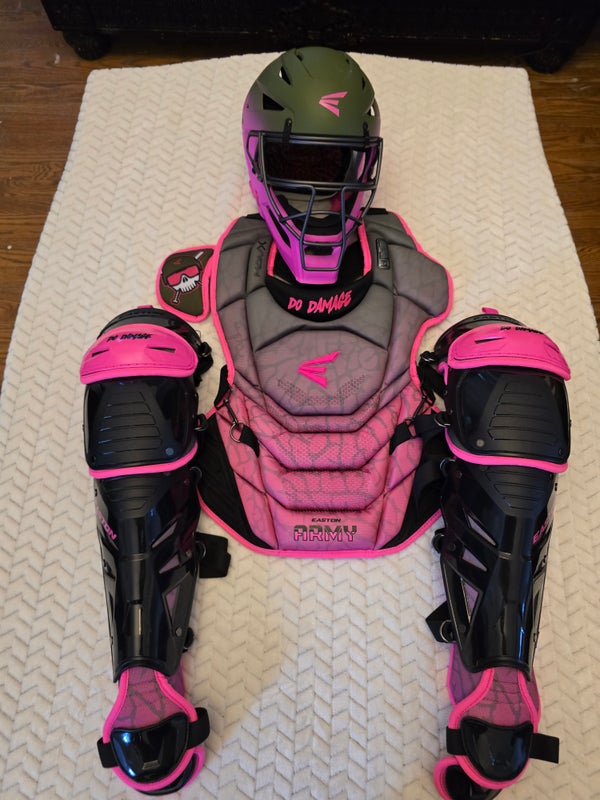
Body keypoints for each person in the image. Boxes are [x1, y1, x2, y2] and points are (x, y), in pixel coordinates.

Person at [82, 47, 569, 798]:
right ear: (258, 161)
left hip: (398, 486)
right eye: (296, 162)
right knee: (133, 357)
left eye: (332, 163)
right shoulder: (228, 265)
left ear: (367, 164)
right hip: (248, 485)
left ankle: (498, 682)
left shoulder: (407, 268)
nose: (316, 193)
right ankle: (144, 682)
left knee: (514, 363)